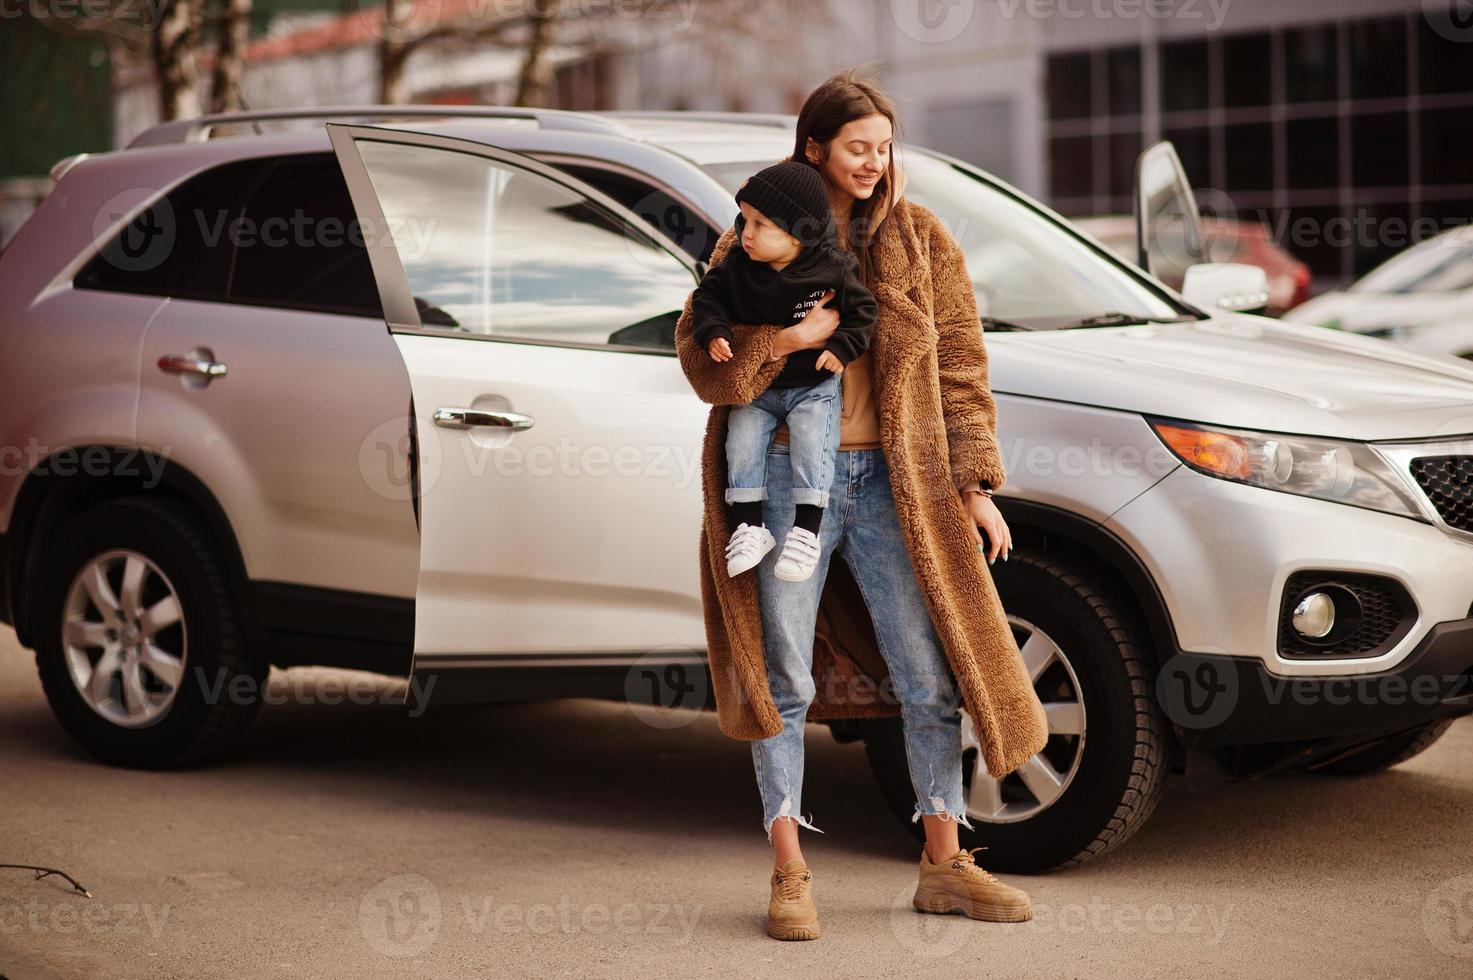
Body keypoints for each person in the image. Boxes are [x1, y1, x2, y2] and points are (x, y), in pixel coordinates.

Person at [673, 69, 1048, 943]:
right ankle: (788, 870)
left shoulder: (919, 240)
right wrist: (789, 338)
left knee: (928, 672)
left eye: (884, 147)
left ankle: (945, 865)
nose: (876, 162)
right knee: (784, 678)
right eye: (857, 148)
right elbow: (702, 362)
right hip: (777, 482)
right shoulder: (750, 239)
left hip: (895, 483)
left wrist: (974, 484)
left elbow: (960, 363)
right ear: (815, 149)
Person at [688, 160, 877, 582]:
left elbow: (863, 312)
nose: (746, 233)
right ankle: (750, 527)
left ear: (797, 233)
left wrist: (842, 348)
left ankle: (806, 532)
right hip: (760, 388)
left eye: (761, 224)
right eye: (744, 220)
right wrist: (713, 331)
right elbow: (707, 299)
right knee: (740, 446)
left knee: (813, 447)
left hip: (813, 387)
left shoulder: (832, 267)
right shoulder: (737, 266)